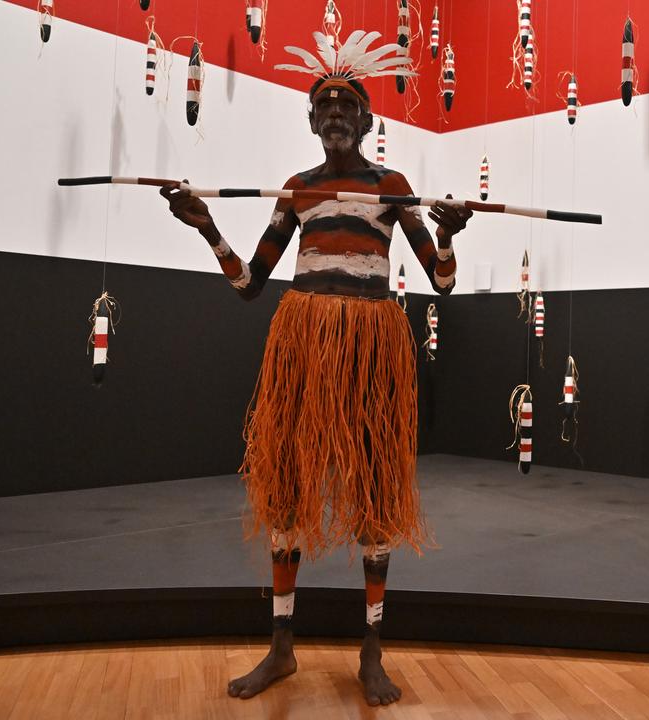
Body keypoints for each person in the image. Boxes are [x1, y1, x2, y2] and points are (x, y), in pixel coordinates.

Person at [161, 53, 471, 704]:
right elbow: (250, 284)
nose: (335, 112)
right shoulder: (297, 188)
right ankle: (280, 648)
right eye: (324, 104)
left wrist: (446, 238)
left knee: (376, 497)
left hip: (370, 349)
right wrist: (207, 227)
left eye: (347, 104)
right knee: (287, 494)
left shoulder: (391, 185)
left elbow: (442, 282)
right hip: (303, 345)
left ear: (366, 117)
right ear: (310, 119)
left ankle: (372, 651)